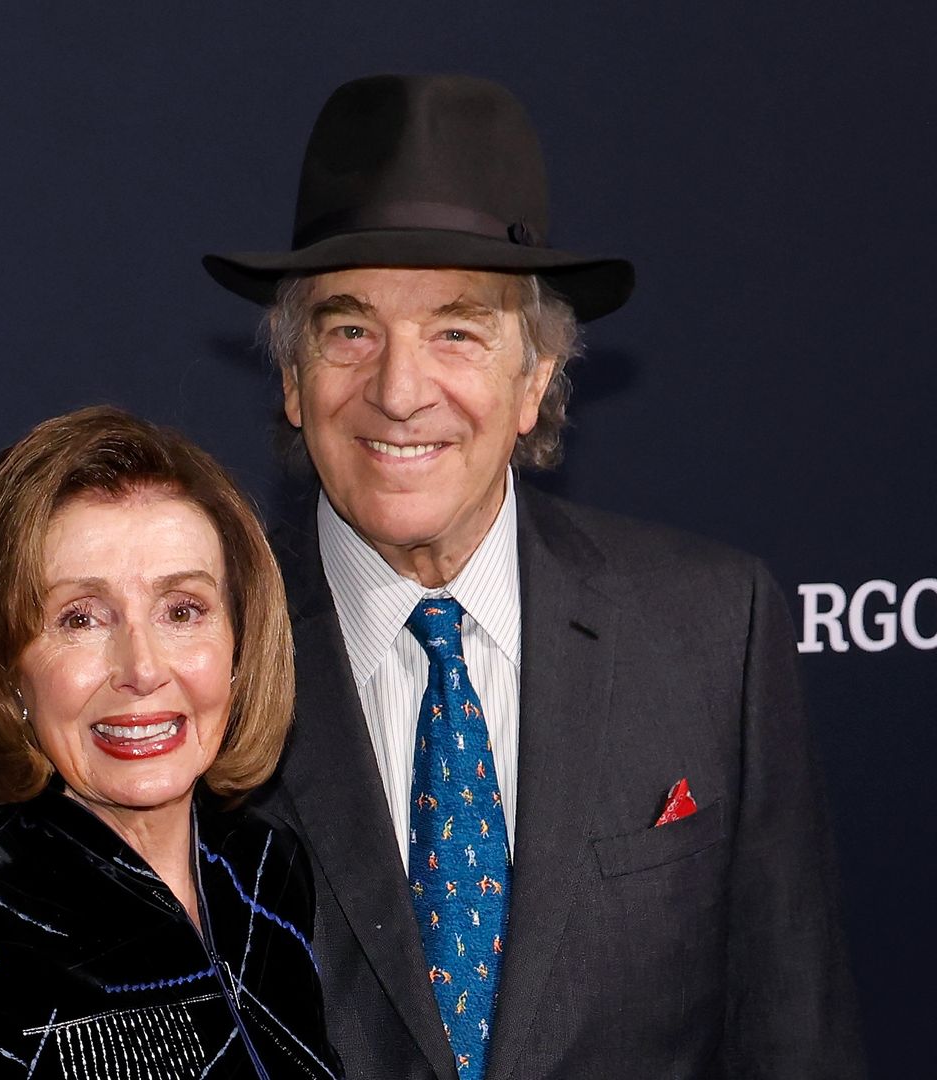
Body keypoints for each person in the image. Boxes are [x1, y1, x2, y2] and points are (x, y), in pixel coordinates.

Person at [203, 75, 866, 1078]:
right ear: (293, 380)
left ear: (536, 380)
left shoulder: (712, 631)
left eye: (457, 330)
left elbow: (793, 1041)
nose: (398, 388)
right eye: (350, 330)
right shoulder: (195, 660)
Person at [0, 406, 341, 1080]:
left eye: (182, 610)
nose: (142, 669)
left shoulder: (264, 872)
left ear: (240, 641)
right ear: (5, 665)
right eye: (79, 618)